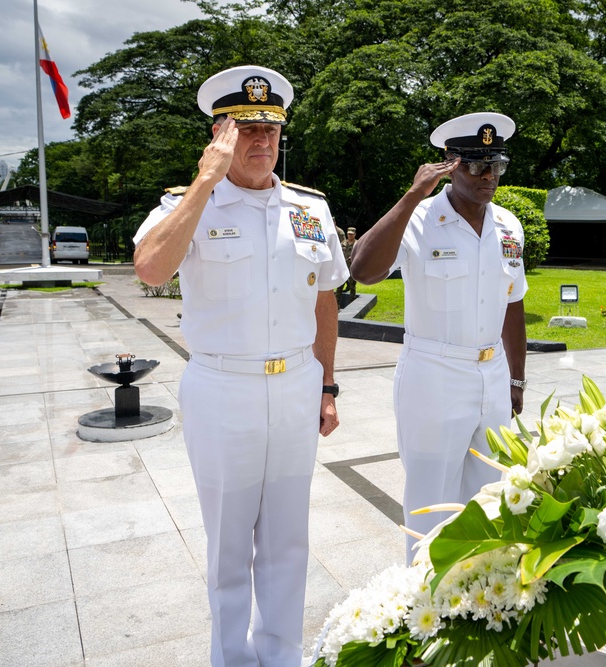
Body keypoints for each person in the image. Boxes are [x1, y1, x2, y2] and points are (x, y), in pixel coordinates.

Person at [132, 65, 348, 667]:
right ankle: (231, 658)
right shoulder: (187, 204)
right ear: (220, 133)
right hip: (223, 388)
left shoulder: (310, 209)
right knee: (229, 541)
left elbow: (324, 300)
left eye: (271, 130)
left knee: (287, 538)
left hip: (298, 385)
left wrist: (328, 385)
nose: (261, 142)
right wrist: (205, 181)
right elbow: (149, 268)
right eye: (247, 129)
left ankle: (280, 655)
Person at [349, 112, 528, 564]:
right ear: (450, 163)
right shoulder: (419, 217)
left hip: (491, 375)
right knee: (431, 505)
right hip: (434, 374)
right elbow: (364, 270)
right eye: (476, 165)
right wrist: (412, 196)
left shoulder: (508, 224)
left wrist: (517, 380)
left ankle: (481, 607)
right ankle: (422, 606)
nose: (489, 176)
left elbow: (513, 303)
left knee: (493, 499)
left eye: (496, 165)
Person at [336, 227, 358, 297]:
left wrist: (353, 257)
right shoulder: (343, 243)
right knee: (340, 285)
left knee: (352, 286)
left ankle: (352, 299)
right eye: (348, 234)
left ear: (355, 234)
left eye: (351, 234)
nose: (350, 235)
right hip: (343, 266)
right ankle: (337, 303)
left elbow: (360, 254)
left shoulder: (357, 244)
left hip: (352, 266)